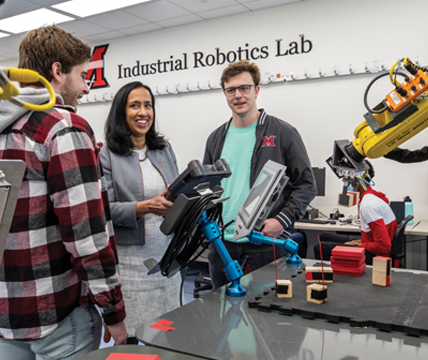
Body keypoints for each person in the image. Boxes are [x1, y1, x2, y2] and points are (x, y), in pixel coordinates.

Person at [0, 25, 127, 360]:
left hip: (2, 315)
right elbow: (86, 236)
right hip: (58, 314)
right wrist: (114, 312)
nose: (87, 87)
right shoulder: (64, 128)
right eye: (83, 75)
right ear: (57, 72)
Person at [203, 60, 317, 288]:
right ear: (225, 94)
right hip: (222, 244)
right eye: (231, 90)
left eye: (244, 88)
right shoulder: (216, 138)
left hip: (266, 242)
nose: (238, 95)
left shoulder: (282, 132)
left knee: (270, 316)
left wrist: (281, 220)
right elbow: (206, 189)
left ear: (256, 90)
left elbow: (306, 184)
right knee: (222, 315)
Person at [99, 81, 180, 339]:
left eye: (148, 105)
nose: (143, 112)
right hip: (131, 268)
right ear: (121, 112)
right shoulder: (106, 155)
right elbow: (104, 210)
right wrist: (146, 207)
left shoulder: (163, 149)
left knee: (170, 337)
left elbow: (175, 191)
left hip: (167, 261)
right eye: (134, 105)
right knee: (135, 342)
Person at [314, 162, 398, 265]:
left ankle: (333, 277)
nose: (346, 184)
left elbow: (384, 247)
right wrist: (361, 242)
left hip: (376, 256)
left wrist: (360, 245)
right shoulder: (370, 194)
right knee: (324, 236)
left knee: (320, 248)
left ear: (355, 179)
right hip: (371, 243)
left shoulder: (369, 205)